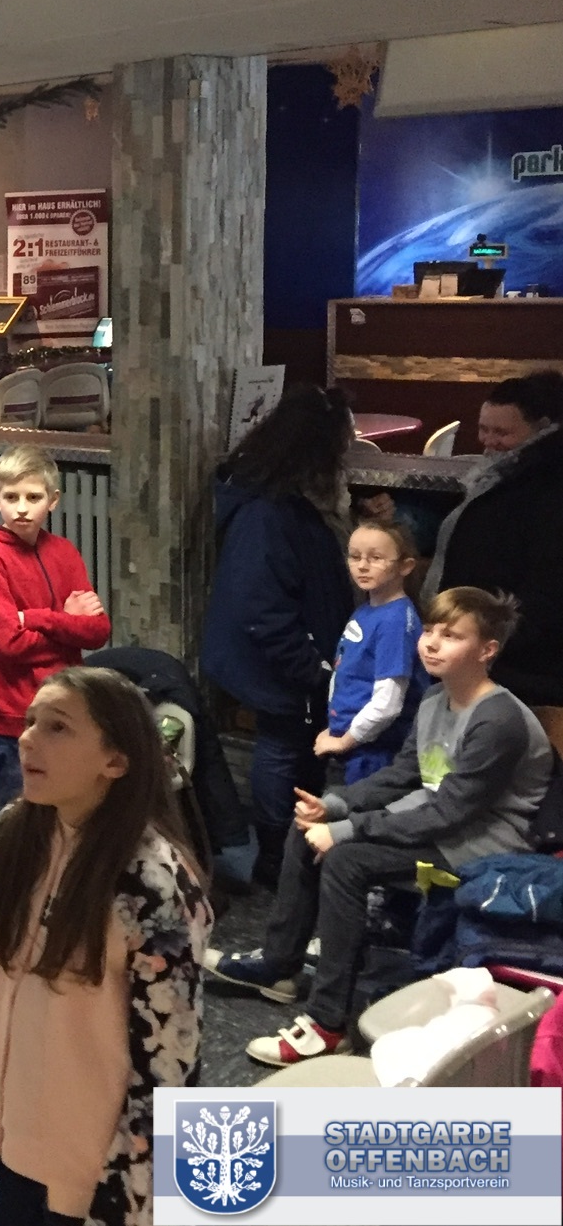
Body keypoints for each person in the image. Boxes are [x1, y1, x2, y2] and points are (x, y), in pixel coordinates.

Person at [206, 588, 555, 1067]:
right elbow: (403, 775)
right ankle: (279, 966)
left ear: (487, 650)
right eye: (429, 630)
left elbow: (448, 812)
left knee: (347, 861)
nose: (432, 643)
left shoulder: (498, 720)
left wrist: (346, 831)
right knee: (306, 830)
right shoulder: (434, 699)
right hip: (440, 828)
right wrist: (333, 807)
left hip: (483, 848)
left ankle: (328, 1024)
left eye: (452, 635)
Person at [0, 666, 210, 1226]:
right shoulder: (16, 832)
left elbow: (169, 1058)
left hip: (97, 1166)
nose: (27, 739)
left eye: (58, 727)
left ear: (115, 762)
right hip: (20, 1135)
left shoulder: (152, 883)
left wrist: (136, 1190)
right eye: (30, 722)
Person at [200, 383, 354, 885]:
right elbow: (263, 609)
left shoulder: (276, 499)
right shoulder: (269, 513)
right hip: (278, 665)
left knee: (291, 747)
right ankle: (274, 856)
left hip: (280, 659)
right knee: (283, 747)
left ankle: (286, 850)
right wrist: (312, 670)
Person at [0, 445, 111, 810]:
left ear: (53, 500)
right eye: (11, 497)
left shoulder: (64, 552)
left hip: (64, 712)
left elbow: (98, 632)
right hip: (12, 719)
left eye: (33, 497)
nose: (22, 508)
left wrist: (35, 618)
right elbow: (7, 643)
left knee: (65, 816)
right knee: (20, 821)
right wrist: (67, 622)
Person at [425, 370, 563, 720]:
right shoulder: (505, 476)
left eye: (501, 432)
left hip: (512, 670)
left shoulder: (545, 488)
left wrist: (489, 647)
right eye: (483, 429)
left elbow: (545, 592)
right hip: (485, 656)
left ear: (541, 428)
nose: (488, 441)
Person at [315, 519, 426, 786]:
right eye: (355, 556)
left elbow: (388, 703)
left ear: (405, 566)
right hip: (354, 741)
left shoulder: (395, 621)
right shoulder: (368, 609)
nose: (362, 566)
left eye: (376, 558)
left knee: (356, 809)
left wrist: (344, 740)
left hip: (375, 751)